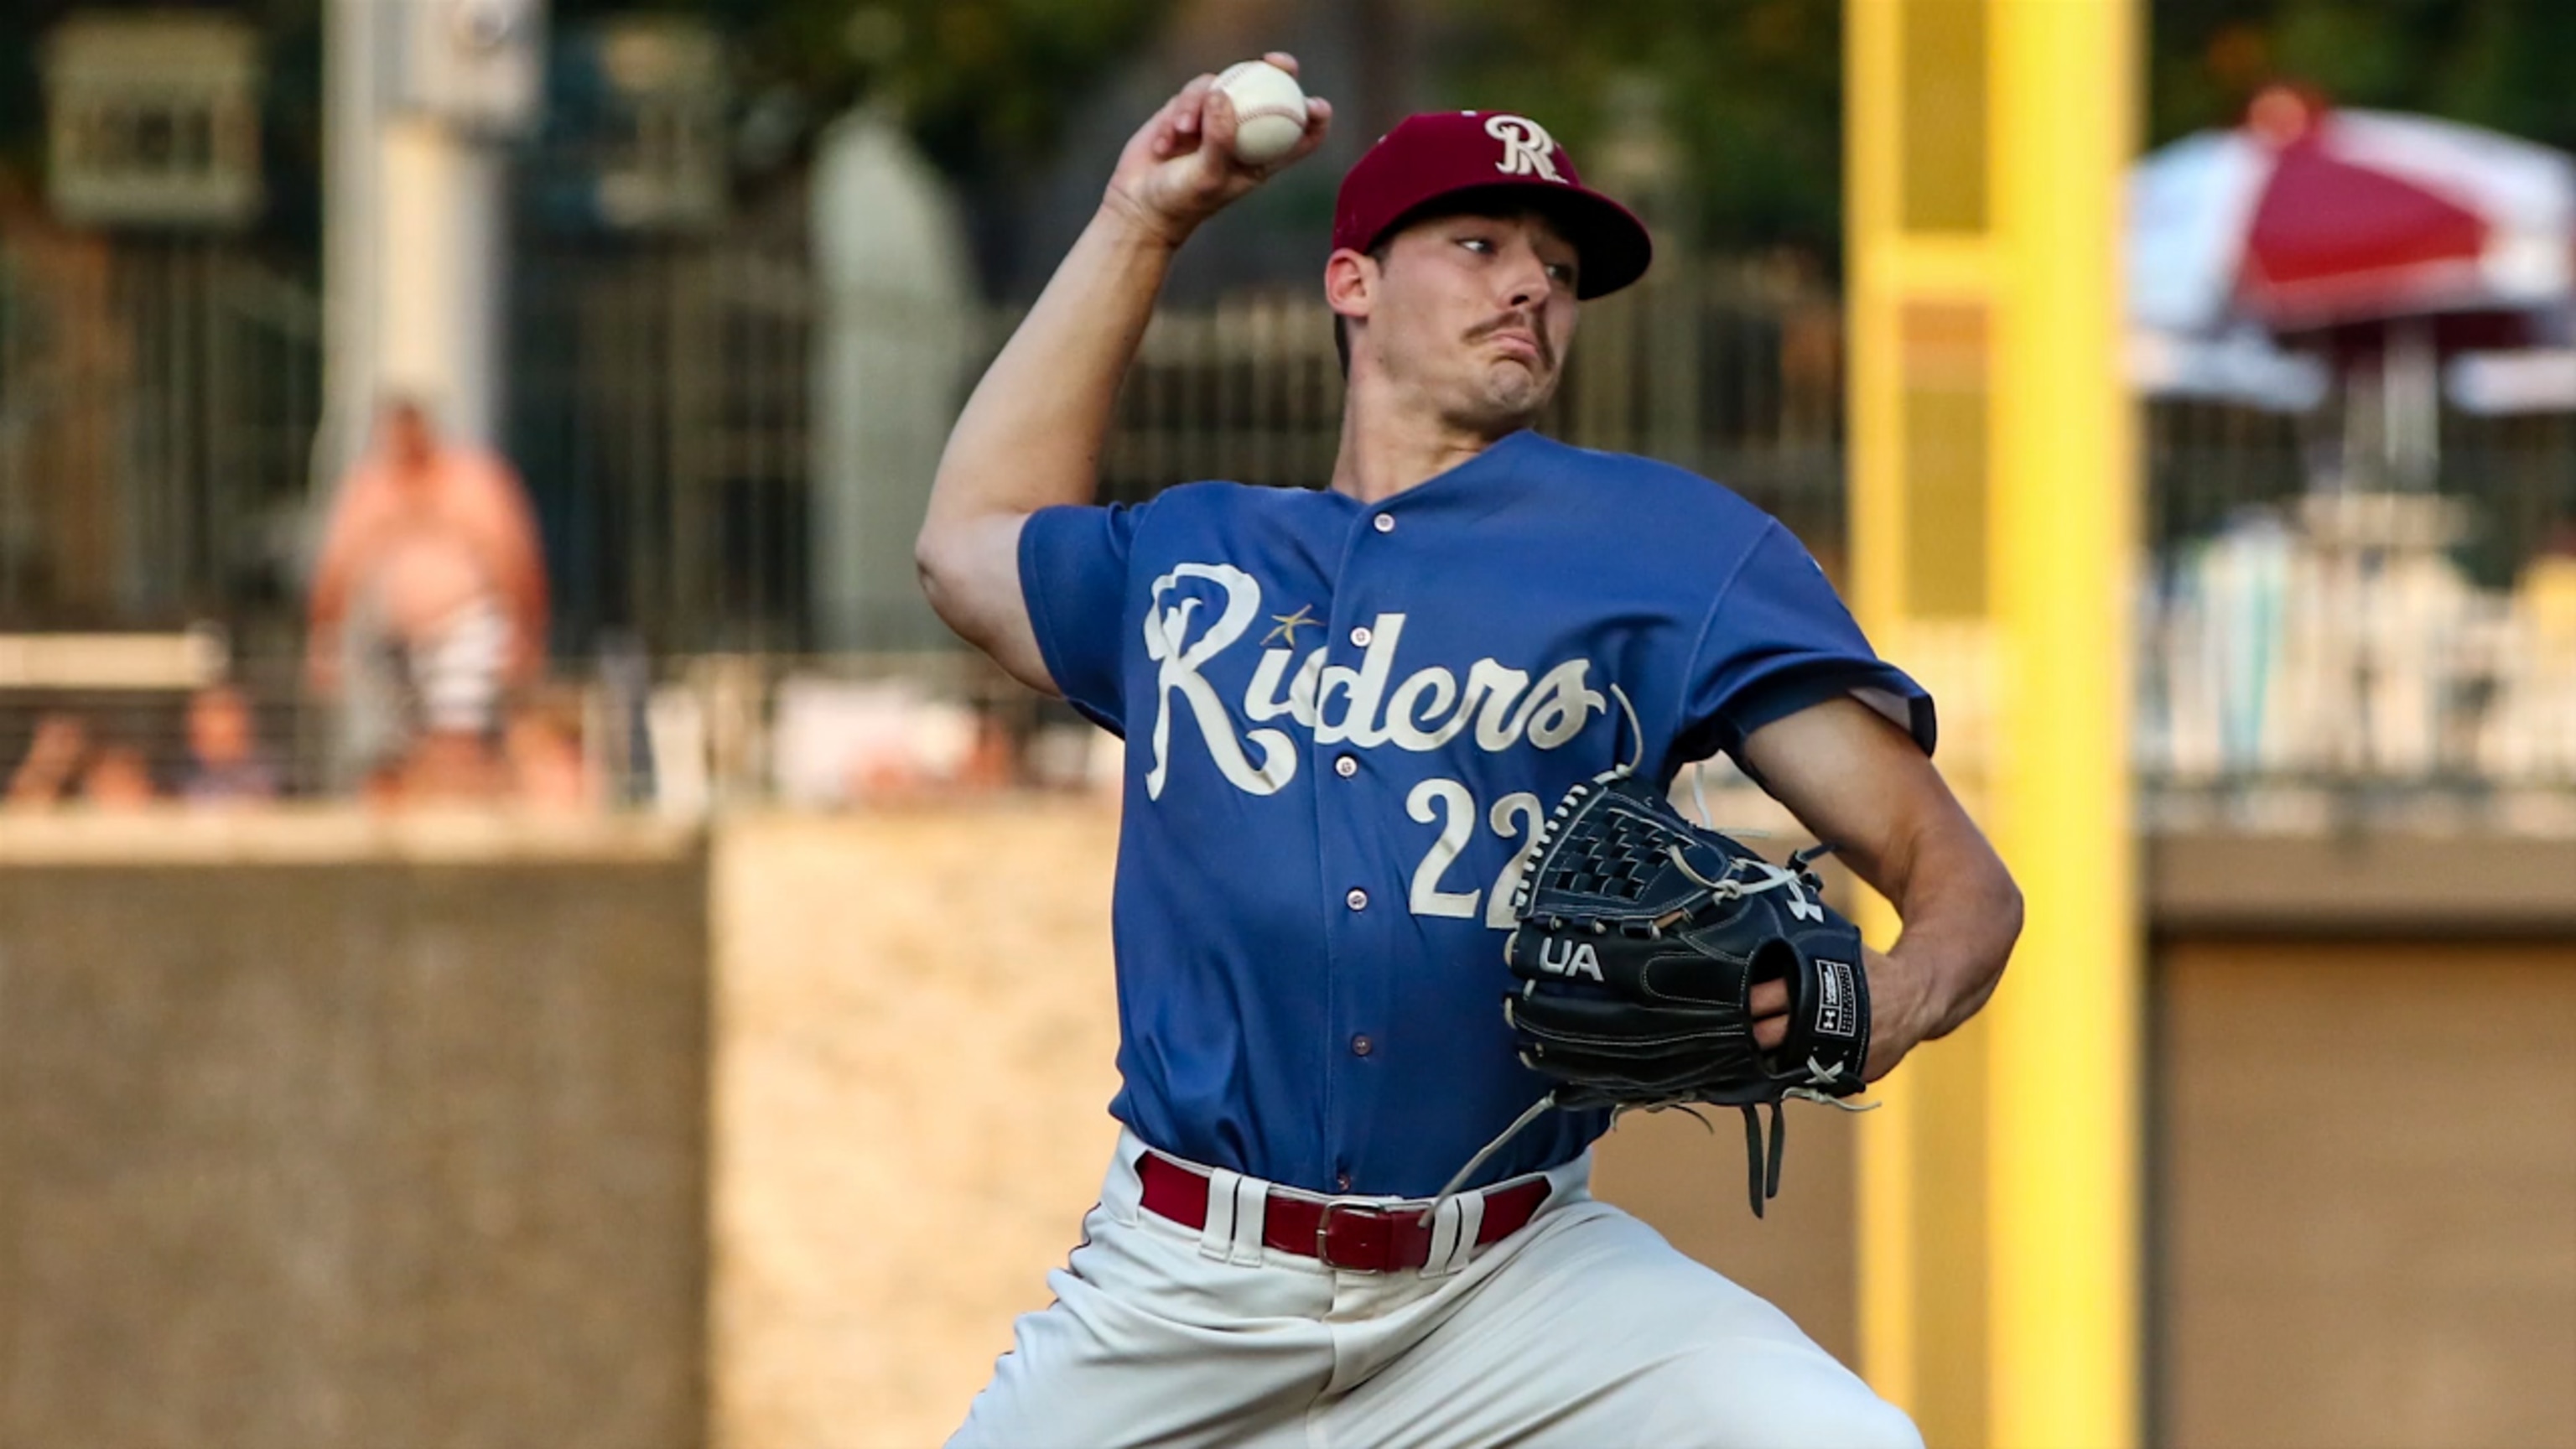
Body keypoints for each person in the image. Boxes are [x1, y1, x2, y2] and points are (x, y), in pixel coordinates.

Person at [915, 58, 2023, 1448]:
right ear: (1351, 284)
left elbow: (1960, 882)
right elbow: (965, 544)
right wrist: (1143, 218)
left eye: (1559, 267)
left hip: (1515, 1284)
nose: (1530, 287)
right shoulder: (1199, 557)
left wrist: (1886, 998)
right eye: (1479, 243)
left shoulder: (1668, 548)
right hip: (1182, 1288)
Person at [307, 396, 549, 800]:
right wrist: (324, 639)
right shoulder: (371, 488)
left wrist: (526, 634)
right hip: (393, 642)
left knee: (458, 737)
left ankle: (465, 820)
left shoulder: (475, 482)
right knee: (404, 750)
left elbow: (517, 558)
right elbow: (337, 569)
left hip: (466, 626)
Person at [178, 683, 281, 806]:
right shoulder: (181, 778)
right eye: (200, 735)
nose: (211, 748)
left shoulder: (269, 777)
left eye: (221, 739)